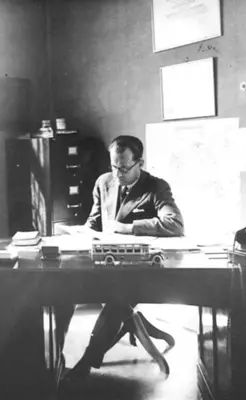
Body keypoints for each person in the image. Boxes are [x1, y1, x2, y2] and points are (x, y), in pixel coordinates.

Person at [56, 135, 184, 382]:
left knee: (119, 298)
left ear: (140, 163)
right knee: (62, 288)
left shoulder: (156, 187)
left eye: (124, 168)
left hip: (139, 271)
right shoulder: (103, 182)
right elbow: (95, 222)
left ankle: (86, 362)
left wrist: (129, 228)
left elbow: (174, 224)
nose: (118, 174)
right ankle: (55, 358)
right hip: (105, 262)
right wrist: (82, 233)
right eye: (114, 166)